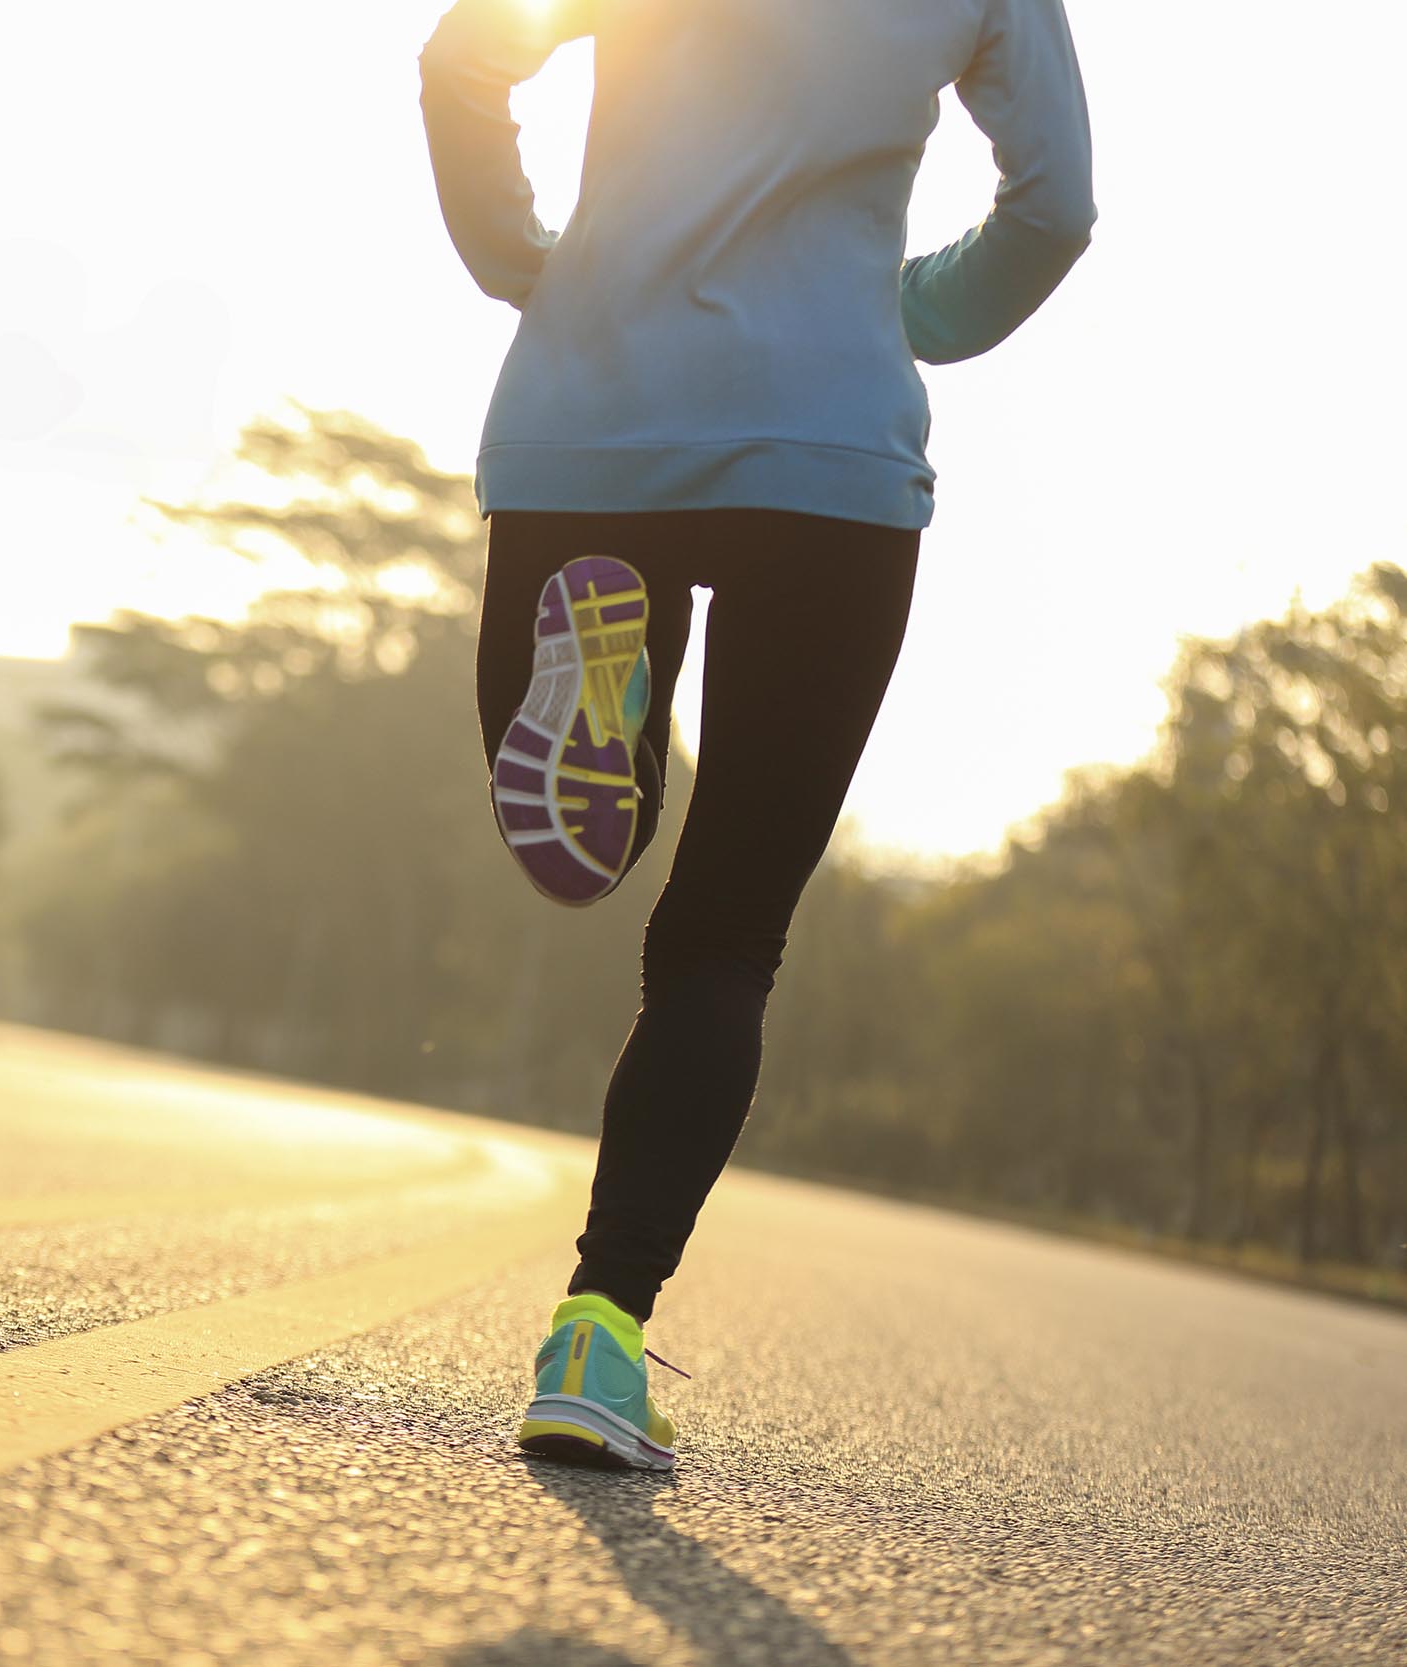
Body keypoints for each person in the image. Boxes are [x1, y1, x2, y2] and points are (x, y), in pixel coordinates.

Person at [417, 0, 1095, 1470]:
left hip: (591, 420)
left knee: (590, 845)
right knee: (723, 944)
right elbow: (1055, 204)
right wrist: (910, 312)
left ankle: (606, 697)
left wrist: (526, 261)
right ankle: (597, 1335)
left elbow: (468, 55)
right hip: (830, 459)